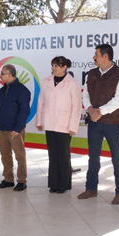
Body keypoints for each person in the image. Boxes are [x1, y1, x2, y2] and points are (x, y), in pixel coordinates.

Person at [77, 44, 119, 204]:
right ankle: (91, 188)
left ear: (105, 56)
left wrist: (100, 112)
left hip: (112, 123)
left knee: (117, 157)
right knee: (93, 156)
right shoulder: (92, 73)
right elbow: (85, 94)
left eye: (96, 54)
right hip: (94, 122)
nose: (94, 57)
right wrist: (91, 109)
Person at [36, 56, 82, 194]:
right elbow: (40, 101)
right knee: (53, 155)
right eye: (53, 65)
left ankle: (63, 184)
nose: (54, 68)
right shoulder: (46, 81)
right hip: (49, 122)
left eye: (57, 66)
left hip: (64, 124)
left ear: (64, 67)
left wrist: (73, 126)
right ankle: (53, 184)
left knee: (63, 155)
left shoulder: (72, 83)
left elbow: (77, 106)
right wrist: (39, 121)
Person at [0, 64, 31, 191]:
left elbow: (24, 111)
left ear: (10, 75)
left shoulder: (23, 91)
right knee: (5, 155)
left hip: (15, 129)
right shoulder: (2, 90)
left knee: (20, 155)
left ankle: (22, 181)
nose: (0, 75)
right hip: (2, 128)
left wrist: (18, 128)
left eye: (2, 73)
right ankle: (8, 179)